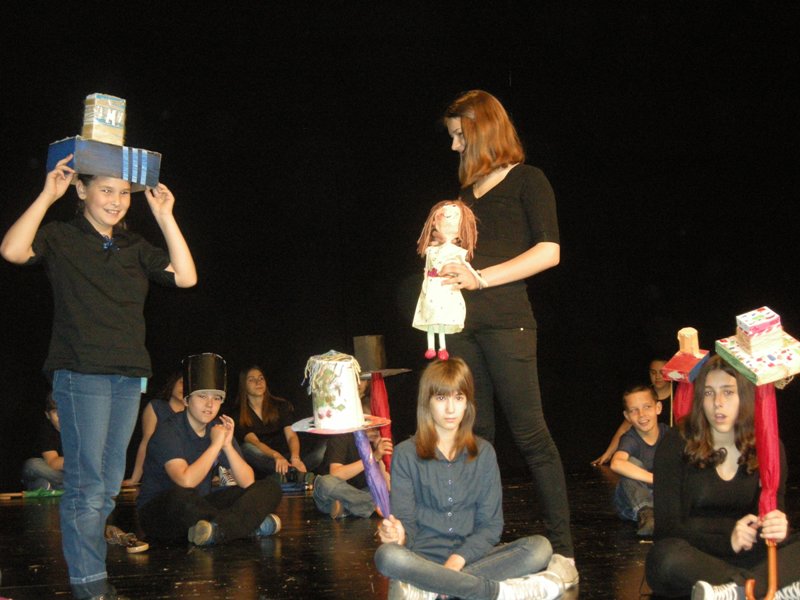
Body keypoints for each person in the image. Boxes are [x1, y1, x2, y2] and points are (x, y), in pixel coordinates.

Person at [1, 155, 197, 600]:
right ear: (81, 190)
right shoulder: (62, 236)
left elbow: (186, 277)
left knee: (107, 486)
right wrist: (47, 195)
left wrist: (164, 216)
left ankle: (92, 580)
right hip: (80, 371)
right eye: (106, 189)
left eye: (124, 192)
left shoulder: (133, 246)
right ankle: (90, 585)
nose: (116, 200)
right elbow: (12, 250)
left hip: (127, 375)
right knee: (88, 486)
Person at [438, 89, 577, 587]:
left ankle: (564, 552)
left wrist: (481, 278)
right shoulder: (463, 200)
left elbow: (549, 251)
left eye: (459, 135)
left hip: (508, 324)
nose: (454, 146)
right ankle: (478, 544)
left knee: (531, 435)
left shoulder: (528, 180)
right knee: (477, 437)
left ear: (482, 131)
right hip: (463, 328)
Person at [374, 358, 564, 600]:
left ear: (468, 403)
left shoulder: (484, 453)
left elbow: (491, 526)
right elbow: (407, 524)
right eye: (441, 398)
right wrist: (398, 535)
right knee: (387, 556)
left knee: (539, 547)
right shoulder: (405, 453)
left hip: (472, 559)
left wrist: (457, 560)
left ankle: (432, 589)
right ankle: (497, 592)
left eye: (459, 398)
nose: (451, 409)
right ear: (427, 402)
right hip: (422, 561)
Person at [645, 355, 800, 598]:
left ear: (744, 397)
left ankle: (735, 591)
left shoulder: (768, 446)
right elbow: (667, 529)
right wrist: (729, 540)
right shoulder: (676, 443)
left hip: (751, 557)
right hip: (697, 558)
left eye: (728, 392)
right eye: (709, 393)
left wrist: (777, 527)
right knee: (665, 558)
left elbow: (770, 514)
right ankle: (764, 589)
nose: (718, 403)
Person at [137, 354, 283, 546]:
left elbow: (247, 481)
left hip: (200, 506)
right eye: (202, 396)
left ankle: (218, 530)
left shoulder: (217, 429)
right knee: (182, 496)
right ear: (187, 400)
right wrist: (215, 445)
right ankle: (245, 527)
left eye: (216, 398)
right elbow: (186, 480)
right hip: (161, 511)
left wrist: (227, 445)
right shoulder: (168, 430)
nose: (210, 404)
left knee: (270, 487)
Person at [412, 199, 479, 360]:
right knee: (430, 317)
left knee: (442, 317)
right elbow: (427, 267)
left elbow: (467, 266)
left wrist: (477, 278)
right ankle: (431, 347)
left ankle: (442, 347)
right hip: (432, 284)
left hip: (445, 286)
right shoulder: (431, 250)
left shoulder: (456, 251)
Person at [312, 393, 393, 519]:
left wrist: (382, 457)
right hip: (337, 491)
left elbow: (388, 486)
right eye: (371, 426)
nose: (375, 431)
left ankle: (347, 508)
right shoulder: (343, 435)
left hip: (364, 491)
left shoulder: (380, 440)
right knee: (324, 483)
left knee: (389, 493)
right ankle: (370, 506)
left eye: (378, 427)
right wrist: (373, 457)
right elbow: (336, 473)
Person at [609, 385, 669, 537]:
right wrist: (657, 479)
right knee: (630, 464)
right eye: (634, 410)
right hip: (633, 504)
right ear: (627, 416)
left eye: (647, 407)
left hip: (662, 499)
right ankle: (648, 514)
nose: (641, 414)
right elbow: (616, 463)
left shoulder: (670, 435)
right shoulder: (630, 439)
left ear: (658, 408)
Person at [235, 366, 311, 479]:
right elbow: (255, 442)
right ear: (244, 385)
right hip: (266, 457)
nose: (258, 382)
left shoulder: (281, 405)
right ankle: (293, 474)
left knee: (321, 447)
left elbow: (291, 435)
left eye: (261, 378)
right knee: (247, 448)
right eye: (251, 379)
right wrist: (276, 456)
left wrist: (295, 458)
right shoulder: (239, 413)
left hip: (288, 454)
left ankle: (289, 472)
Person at [591, 358, 671, 466]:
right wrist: (609, 453)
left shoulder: (680, 395)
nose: (658, 376)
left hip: (668, 445)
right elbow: (624, 428)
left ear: (658, 407)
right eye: (653, 372)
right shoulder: (640, 395)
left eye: (662, 372)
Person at [123, 372, 185, 486]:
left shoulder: (196, 413)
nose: (184, 388)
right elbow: (146, 443)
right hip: (158, 470)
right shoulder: (157, 407)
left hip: (186, 472)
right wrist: (135, 478)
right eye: (181, 383)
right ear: (173, 383)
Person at [21, 392, 64, 491]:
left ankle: (51, 488)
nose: (61, 417)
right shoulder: (47, 430)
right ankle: (73, 485)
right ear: (48, 415)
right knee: (32, 465)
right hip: (54, 473)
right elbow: (53, 462)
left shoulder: (80, 428)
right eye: (56, 412)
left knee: (40, 483)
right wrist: (80, 461)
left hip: (68, 474)